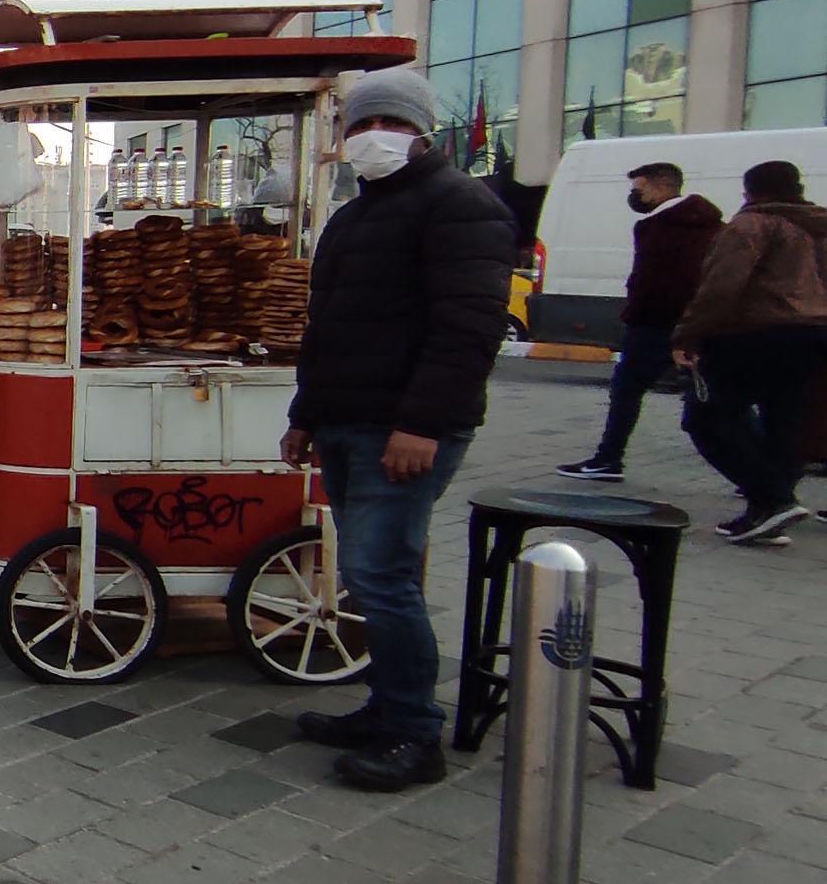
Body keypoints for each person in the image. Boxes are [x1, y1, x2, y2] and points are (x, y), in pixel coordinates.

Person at [281, 66, 514, 792]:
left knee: (383, 576)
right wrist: (305, 415)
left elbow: (468, 331)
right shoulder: (355, 215)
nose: (372, 138)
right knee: (364, 573)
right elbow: (327, 330)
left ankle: (415, 732)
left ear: (423, 133)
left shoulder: (461, 206)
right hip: (347, 420)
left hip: (403, 430)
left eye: (391, 125)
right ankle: (386, 706)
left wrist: (421, 423)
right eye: (358, 126)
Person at [671, 160, 827, 545]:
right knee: (785, 423)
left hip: (751, 332)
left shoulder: (752, 224)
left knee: (706, 417)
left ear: (752, 191)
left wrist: (688, 335)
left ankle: (772, 501)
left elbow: (721, 287)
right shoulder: (817, 227)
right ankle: (767, 513)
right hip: (811, 335)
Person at [557, 162, 723, 482]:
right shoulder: (713, 225)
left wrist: (636, 316)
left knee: (627, 390)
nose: (635, 196)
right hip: (701, 323)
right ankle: (762, 473)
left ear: (661, 188)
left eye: (639, 189)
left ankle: (608, 458)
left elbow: (654, 284)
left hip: (655, 326)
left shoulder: (658, 226)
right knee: (719, 399)